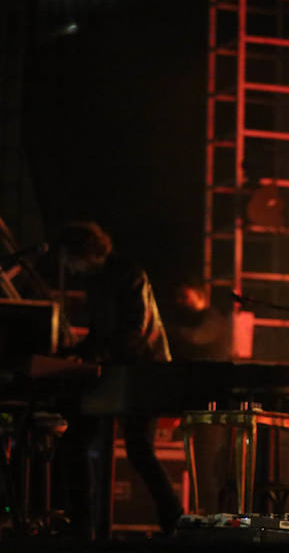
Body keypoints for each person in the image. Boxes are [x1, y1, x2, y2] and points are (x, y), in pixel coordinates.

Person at [55, 221, 183, 538]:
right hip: (118, 370)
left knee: (138, 450)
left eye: (71, 260)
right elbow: (103, 334)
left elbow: (133, 332)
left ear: (85, 253)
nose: (70, 268)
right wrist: (70, 353)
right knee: (80, 441)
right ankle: (83, 525)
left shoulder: (129, 274)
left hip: (144, 371)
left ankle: (175, 522)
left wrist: (88, 355)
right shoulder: (99, 280)